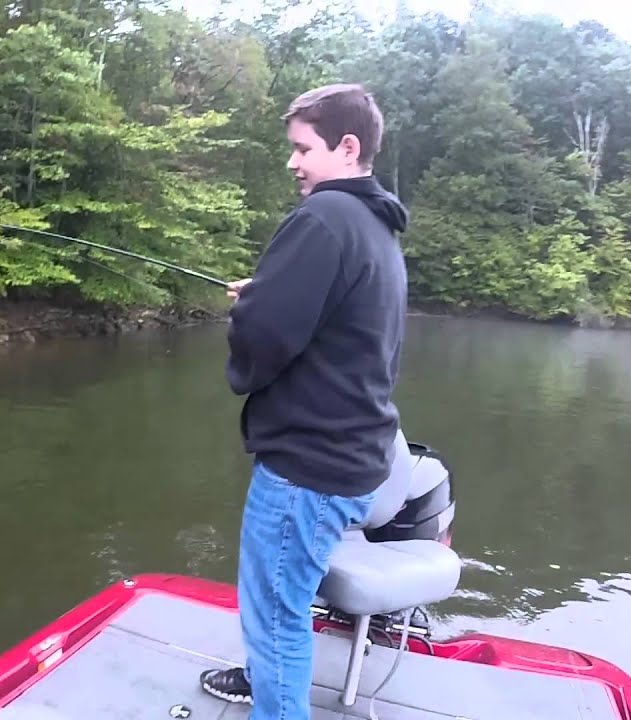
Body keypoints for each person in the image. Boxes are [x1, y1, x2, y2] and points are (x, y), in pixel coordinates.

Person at [197, 83, 409, 719]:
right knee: (283, 608)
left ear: (348, 147)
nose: (292, 162)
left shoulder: (323, 217)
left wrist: (252, 313)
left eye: (301, 149)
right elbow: (334, 315)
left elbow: (265, 335)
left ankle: (275, 696)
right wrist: (270, 290)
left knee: (275, 619)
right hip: (352, 457)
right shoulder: (374, 225)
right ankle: (265, 679)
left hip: (306, 467)